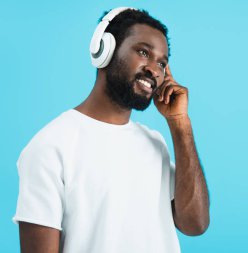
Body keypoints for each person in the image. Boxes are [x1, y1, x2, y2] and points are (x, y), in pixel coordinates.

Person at [12, 7, 210, 253]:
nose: (155, 70)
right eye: (143, 52)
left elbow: (195, 224)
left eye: (162, 62)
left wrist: (180, 123)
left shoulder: (155, 143)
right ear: (104, 50)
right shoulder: (50, 147)